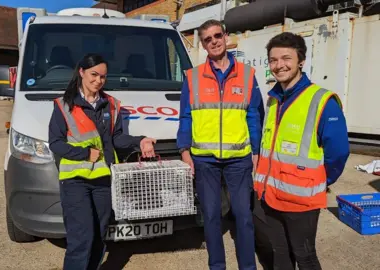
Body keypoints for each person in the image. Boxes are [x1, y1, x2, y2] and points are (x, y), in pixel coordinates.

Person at [48, 53, 157, 270]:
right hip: (75, 181)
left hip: (103, 181)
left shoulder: (111, 105)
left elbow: (116, 139)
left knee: (99, 236)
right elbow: (55, 143)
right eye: (94, 75)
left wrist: (140, 140)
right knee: (82, 237)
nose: (98, 81)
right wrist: (85, 154)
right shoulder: (64, 105)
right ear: (81, 72)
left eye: (103, 77)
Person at [254, 32, 350, 270]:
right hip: (271, 197)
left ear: (301, 61)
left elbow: (338, 152)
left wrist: (320, 180)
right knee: (281, 254)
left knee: (305, 257)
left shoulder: (322, 100)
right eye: (273, 60)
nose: (279, 65)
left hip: (301, 202)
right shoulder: (273, 99)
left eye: (286, 58)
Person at [177, 19, 264, 270]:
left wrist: (256, 151)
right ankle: (217, 266)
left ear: (225, 36)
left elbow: (254, 115)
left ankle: (247, 267)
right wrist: (184, 150)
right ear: (203, 45)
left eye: (217, 36)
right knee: (212, 218)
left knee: (244, 217)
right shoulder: (192, 78)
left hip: (239, 159)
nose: (213, 41)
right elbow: (186, 116)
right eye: (207, 39)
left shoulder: (247, 75)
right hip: (205, 160)